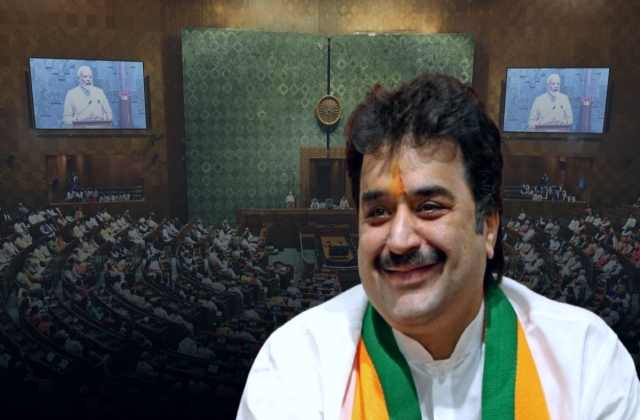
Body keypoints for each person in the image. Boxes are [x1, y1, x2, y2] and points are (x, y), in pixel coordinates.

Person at [237, 74, 639, 419]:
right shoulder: (296, 366)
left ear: (489, 225)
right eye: (378, 212)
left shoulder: (584, 362)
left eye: (429, 207)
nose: (399, 240)